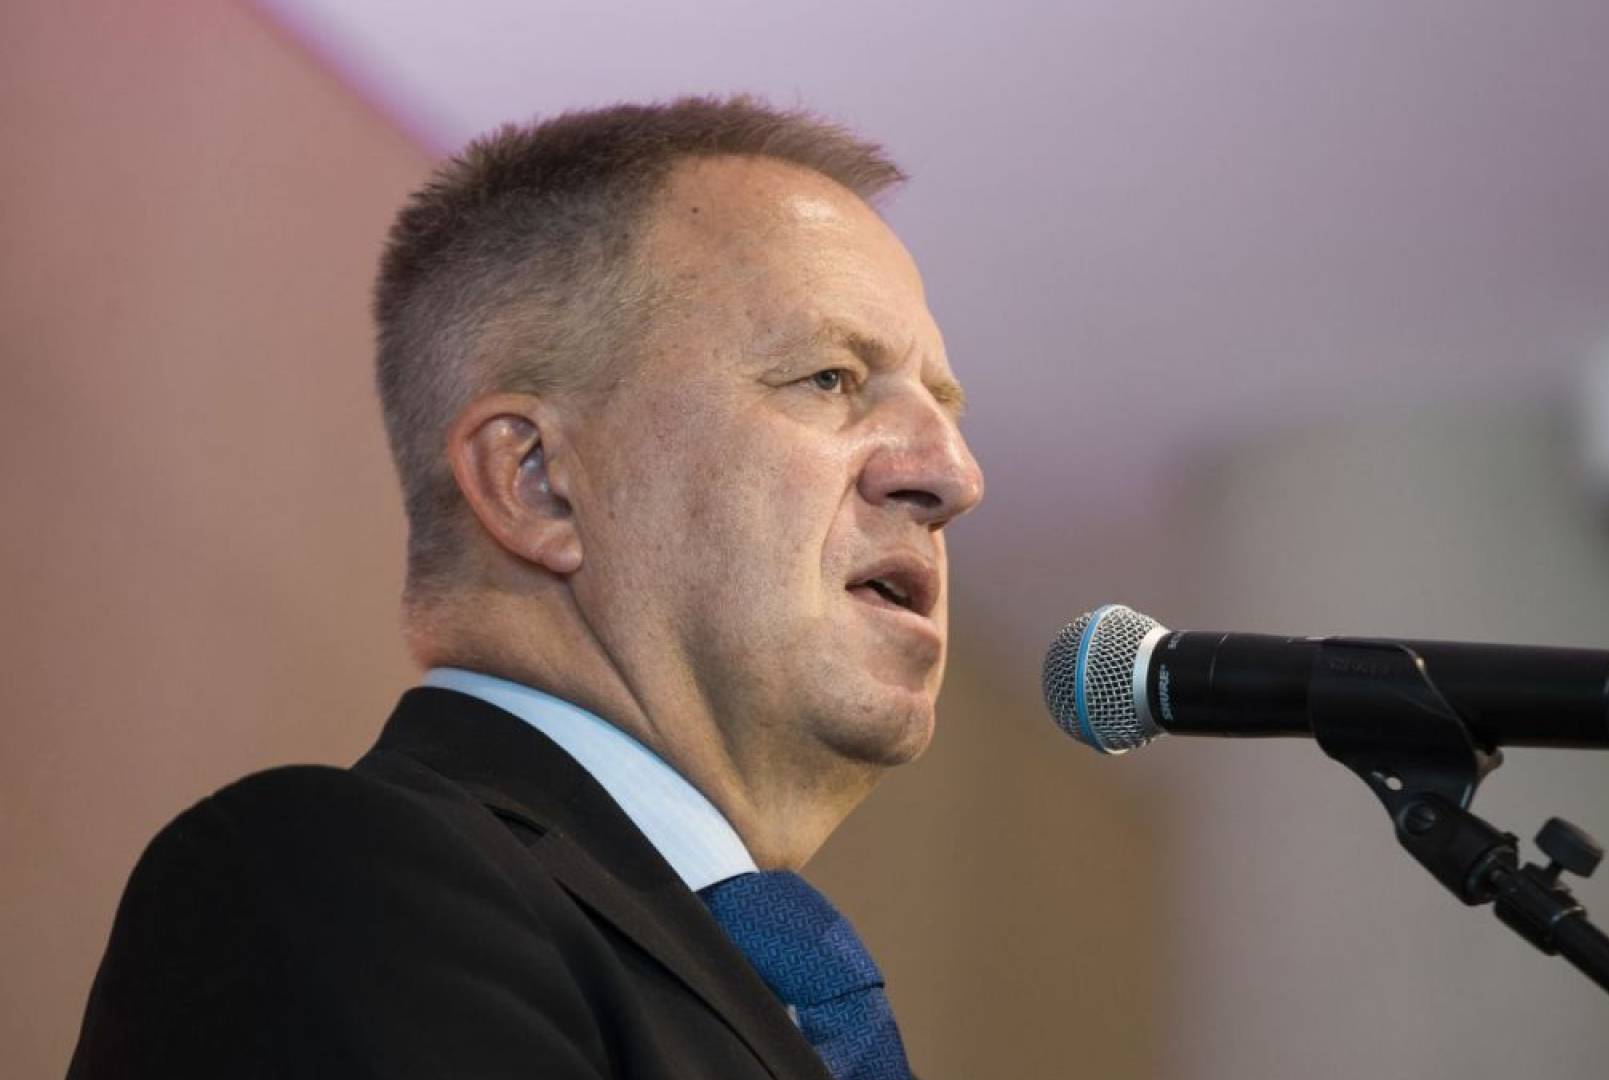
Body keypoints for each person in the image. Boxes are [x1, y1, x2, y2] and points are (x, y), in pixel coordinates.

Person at [67, 96, 984, 1080]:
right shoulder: (336, 883)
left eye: (943, 407)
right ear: (536, 482)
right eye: (831, 378)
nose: (954, 474)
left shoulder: (772, 995)